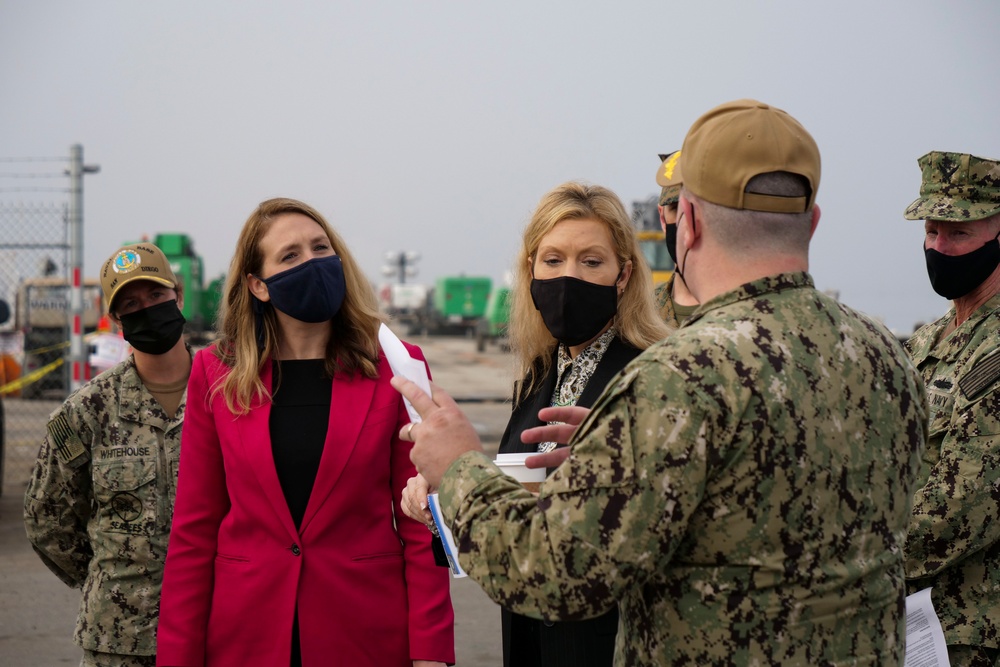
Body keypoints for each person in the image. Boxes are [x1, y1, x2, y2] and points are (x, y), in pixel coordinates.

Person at [391, 99, 928, 665]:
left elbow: (559, 575)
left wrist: (458, 470)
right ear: (813, 221)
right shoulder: (887, 356)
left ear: (687, 224)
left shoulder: (677, 377)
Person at [155, 198, 454, 667]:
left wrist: (432, 652)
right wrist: (177, 656)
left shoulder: (397, 365)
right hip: (244, 637)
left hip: (363, 634)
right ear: (258, 285)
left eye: (321, 248)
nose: (313, 263)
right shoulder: (215, 372)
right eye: (290, 256)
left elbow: (422, 522)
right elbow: (194, 530)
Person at [401, 182, 669, 667]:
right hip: (529, 636)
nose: (569, 277)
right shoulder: (538, 379)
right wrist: (443, 494)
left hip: (611, 644)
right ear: (530, 272)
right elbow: (513, 508)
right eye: (552, 261)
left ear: (623, 275)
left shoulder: (651, 377)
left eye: (591, 261)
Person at [24, 242, 192, 667]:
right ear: (116, 320)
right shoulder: (85, 413)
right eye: (130, 304)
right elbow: (47, 519)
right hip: (119, 642)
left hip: (216, 624)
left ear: (179, 295)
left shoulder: (228, 395)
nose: (146, 309)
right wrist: (109, 577)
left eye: (156, 296)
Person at [901, 151, 1000, 667]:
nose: (939, 247)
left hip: (974, 640)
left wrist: (841, 555)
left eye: (958, 234)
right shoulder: (925, 342)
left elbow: (960, 507)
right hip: (910, 631)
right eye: (932, 232)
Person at [653, 150, 700, 329]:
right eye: (675, 208)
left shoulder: (750, 311)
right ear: (663, 218)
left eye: (696, 207)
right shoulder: (638, 312)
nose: (685, 219)